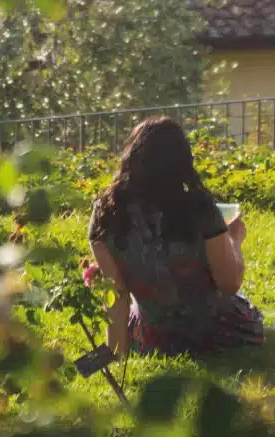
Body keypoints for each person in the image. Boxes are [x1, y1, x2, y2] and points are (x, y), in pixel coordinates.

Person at [88, 116, 264, 357]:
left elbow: (116, 294)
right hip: (222, 335)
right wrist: (234, 238)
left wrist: (115, 355)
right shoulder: (199, 207)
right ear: (183, 161)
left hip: (154, 341)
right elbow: (229, 284)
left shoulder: (106, 214)